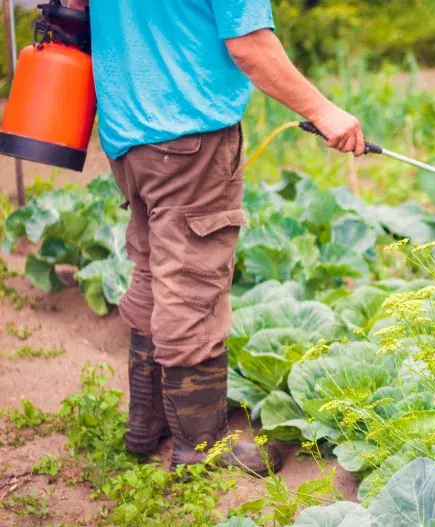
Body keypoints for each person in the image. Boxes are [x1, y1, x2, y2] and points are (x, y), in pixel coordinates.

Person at [67, 0, 365, 475]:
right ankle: (199, 447)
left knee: (153, 273)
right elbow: (249, 46)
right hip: (189, 137)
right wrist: (325, 111)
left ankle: (149, 423)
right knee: (192, 286)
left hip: (128, 136)